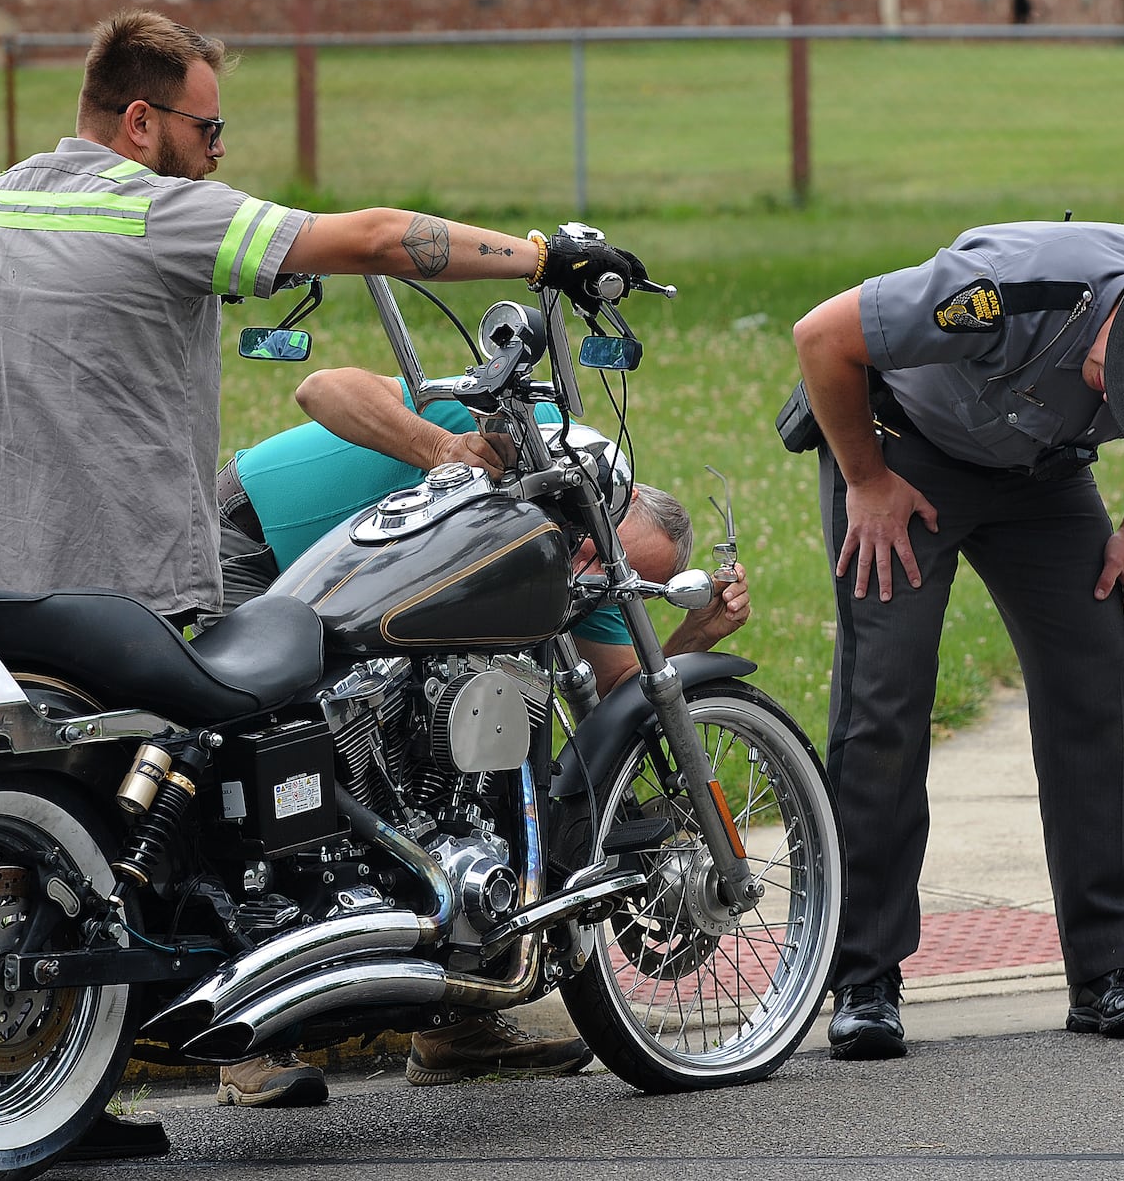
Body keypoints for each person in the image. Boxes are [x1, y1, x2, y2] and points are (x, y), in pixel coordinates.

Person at [0, 8, 644, 628]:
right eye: (207, 129)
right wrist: (541, 257)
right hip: (125, 593)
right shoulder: (158, 213)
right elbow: (375, 240)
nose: (218, 152)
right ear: (140, 121)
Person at [789, 222, 1124, 1060]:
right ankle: (863, 975)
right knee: (886, 700)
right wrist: (866, 481)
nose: (1115, 399)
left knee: (1095, 678)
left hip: (1046, 473)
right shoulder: (1007, 287)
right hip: (907, 449)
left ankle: (1112, 970)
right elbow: (822, 336)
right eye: (1116, 380)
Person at [208, 367, 752, 1104]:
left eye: (613, 577)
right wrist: (440, 445)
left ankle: (452, 1018)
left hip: (372, 598)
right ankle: (243, 1038)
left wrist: (696, 631)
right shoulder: (511, 430)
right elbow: (321, 388)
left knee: (460, 761)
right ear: (594, 502)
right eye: (594, 551)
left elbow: (621, 697)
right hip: (259, 538)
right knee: (277, 764)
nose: (589, 575)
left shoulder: (582, 561)